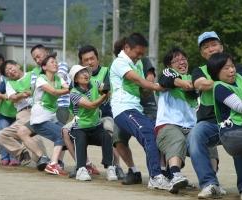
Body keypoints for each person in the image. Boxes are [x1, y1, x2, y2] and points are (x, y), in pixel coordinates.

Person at [187, 31, 242, 199]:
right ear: (202, 53)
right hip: (210, 124)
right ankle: (209, 183)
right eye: (206, 47)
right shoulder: (199, 70)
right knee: (195, 135)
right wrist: (223, 82)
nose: (211, 49)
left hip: (235, 120)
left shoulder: (236, 68)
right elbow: (200, 84)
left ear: (221, 47)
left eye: (214, 44)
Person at [110, 32, 169, 190]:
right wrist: (159, 86)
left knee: (153, 134)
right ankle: (155, 176)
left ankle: (160, 173)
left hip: (136, 109)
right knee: (147, 133)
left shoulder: (137, 63)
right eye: (137, 53)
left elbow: (143, 85)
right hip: (123, 109)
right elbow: (138, 81)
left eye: (142, 54)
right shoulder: (120, 62)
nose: (139, 57)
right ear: (127, 48)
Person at [208, 52, 242, 200]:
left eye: (232, 66)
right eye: (226, 68)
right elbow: (241, 107)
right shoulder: (219, 87)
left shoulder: (241, 78)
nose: (231, 70)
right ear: (216, 72)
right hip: (230, 135)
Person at [77, 44, 124, 179]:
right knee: (66, 131)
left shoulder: (106, 72)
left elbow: (106, 89)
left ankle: (115, 166)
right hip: (85, 118)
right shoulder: (78, 76)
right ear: (82, 62)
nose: (90, 62)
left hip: (104, 115)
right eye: (86, 60)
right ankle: (82, 167)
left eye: (92, 58)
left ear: (97, 59)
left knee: (109, 130)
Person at [155, 47, 197, 193]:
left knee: (204, 138)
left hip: (192, 126)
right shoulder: (168, 74)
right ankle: (175, 175)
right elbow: (165, 79)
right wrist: (184, 84)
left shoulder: (194, 77)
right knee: (177, 138)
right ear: (169, 65)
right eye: (176, 60)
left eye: (183, 59)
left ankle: (210, 180)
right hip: (168, 124)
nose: (181, 62)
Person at [68, 64, 118, 181]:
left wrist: (106, 90)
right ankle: (81, 169)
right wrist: (104, 95)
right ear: (75, 79)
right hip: (80, 127)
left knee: (107, 136)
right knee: (79, 138)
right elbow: (91, 105)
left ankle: (110, 167)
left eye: (86, 72)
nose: (85, 74)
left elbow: (106, 89)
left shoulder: (94, 84)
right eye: (81, 73)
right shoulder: (74, 93)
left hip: (95, 126)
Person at [0, 60, 48, 170]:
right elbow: (13, 98)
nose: (10, 71)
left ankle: (43, 159)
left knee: (35, 136)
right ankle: (22, 153)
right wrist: (22, 94)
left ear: (17, 65)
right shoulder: (10, 83)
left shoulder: (32, 74)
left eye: (11, 68)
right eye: (7, 71)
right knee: (1, 135)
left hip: (39, 109)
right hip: (23, 113)